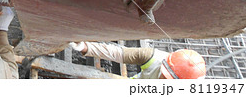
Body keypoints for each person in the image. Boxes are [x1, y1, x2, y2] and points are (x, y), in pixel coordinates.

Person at [70, 41, 206, 79]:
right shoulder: (153, 57)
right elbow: (118, 53)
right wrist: (85, 47)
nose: (163, 79)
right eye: (164, 74)